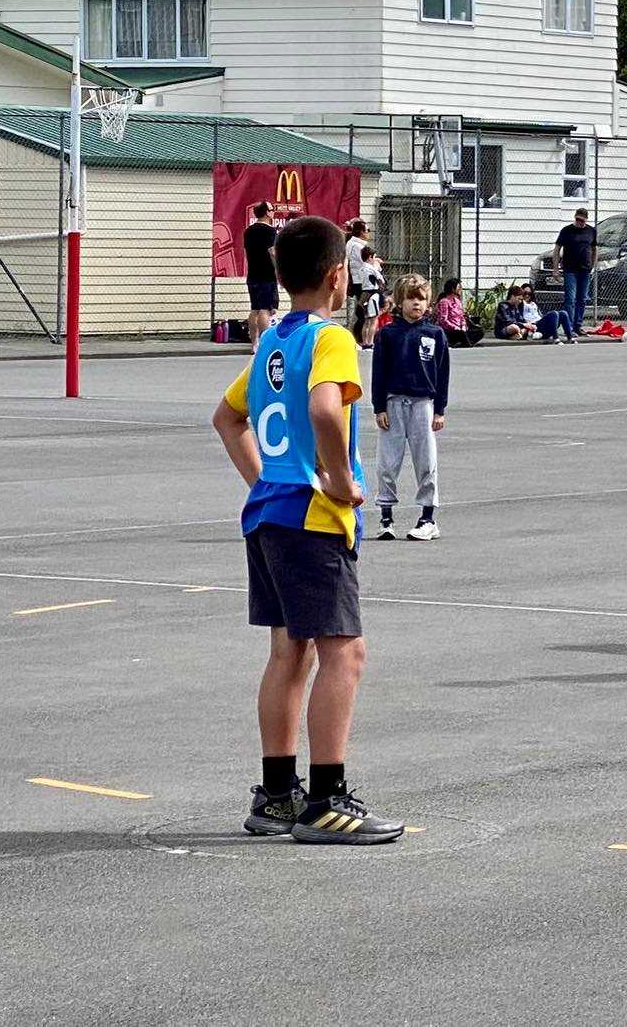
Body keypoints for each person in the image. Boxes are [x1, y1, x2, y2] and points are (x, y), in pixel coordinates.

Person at [209, 214, 402, 845]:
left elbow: (226, 418)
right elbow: (325, 407)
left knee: (287, 654)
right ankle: (325, 798)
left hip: (269, 514)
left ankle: (275, 795)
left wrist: (266, 480)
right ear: (337, 274)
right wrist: (341, 480)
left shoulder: (270, 340)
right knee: (344, 652)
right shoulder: (331, 338)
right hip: (312, 519)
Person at [371, 274, 449, 543]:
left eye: (422, 299)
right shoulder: (388, 334)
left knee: (426, 461)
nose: (417, 303)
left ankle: (428, 517)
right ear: (400, 301)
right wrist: (379, 406)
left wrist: (440, 410)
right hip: (393, 403)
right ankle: (386, 516)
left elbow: (442, 374)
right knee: (387, 462)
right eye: (411, 298)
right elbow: (378, 372)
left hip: (423, 404)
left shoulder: (435, 334)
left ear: (428, 303)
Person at [554, 207, 598, 336]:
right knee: (570, 299)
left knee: (582, 298)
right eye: (578, 220)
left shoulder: (591, 231)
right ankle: (570, 327)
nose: (580, 223)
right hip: (570, 269)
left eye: (582, 221)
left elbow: (595, 249)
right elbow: (557, 249)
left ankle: (578, 326)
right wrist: (555, 269)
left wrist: (593, 265)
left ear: (586, 220)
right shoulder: (567, 231)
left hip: (585, 269)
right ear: (575, 218)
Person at [243, 202, 278, 345]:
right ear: (266, 213)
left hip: (253, 274)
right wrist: (277, 269)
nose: (273, 212)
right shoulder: (270, 231)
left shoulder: (248, 231)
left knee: (254, 309)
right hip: (266, 274)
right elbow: (272, 252)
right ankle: (265, 344)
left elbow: (246, 253)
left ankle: (254, 344)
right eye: (272, 210)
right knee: (265, 309)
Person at [344, 221, 378, 347]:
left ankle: (359, 337)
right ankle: (360, 338)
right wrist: (375, 264)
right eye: (367, 230)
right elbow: (363, 262)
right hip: (363, 282)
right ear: (361, 232)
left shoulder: (353, 244)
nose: (369, 233)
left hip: (358, 280)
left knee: (362, 311)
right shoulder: (358, 246)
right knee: (364, 312)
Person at [435, 277, 481, 348]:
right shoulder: (444, 301)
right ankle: (464, 342)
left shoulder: (457, 301)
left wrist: (463, 326)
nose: (461, 289)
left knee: (479, 332)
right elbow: (443, 320)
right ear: (453, 289)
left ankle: (462, 342)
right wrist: (455, 327)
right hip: (450, 330)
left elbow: (462, 317)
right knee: (461, 334)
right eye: (459, 287)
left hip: (460, 329)